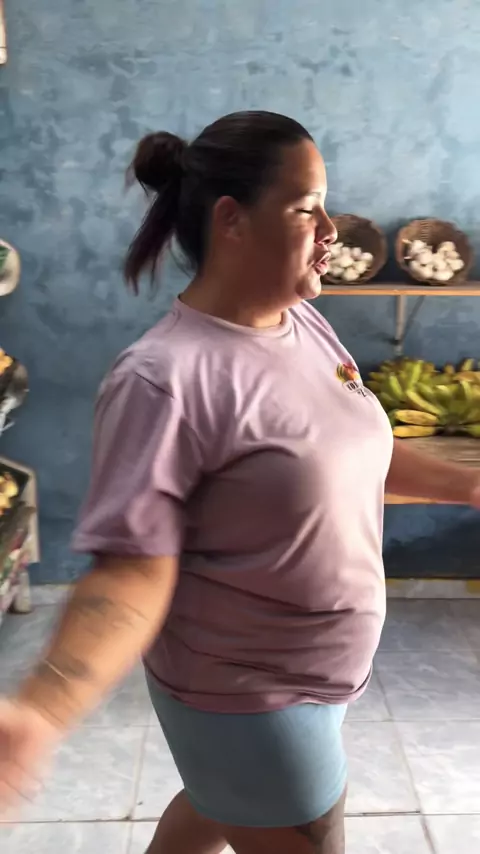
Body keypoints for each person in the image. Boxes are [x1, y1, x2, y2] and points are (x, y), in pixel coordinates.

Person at [1, 111, 479, 854]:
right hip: (247, 689)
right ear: (232, 220)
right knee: (273, 814)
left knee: (214, 804)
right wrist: (45, 709)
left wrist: (471, 487)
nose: (331, 230)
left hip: (320, 670)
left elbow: (349, 462)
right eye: (306, 208)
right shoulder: (163, 379)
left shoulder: (303, 324)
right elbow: (130, 571)